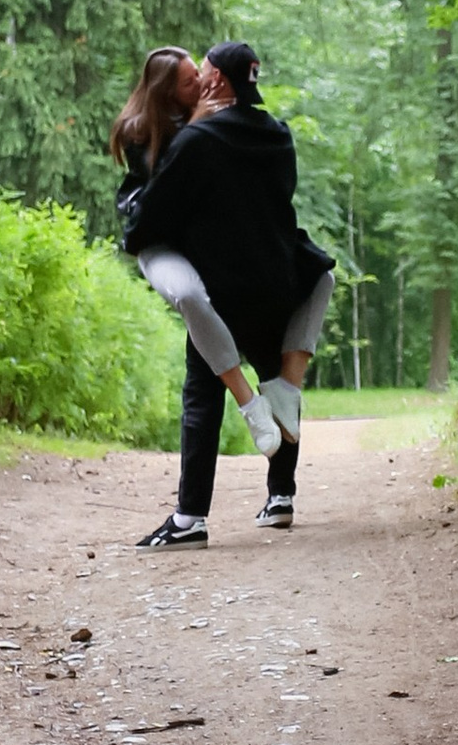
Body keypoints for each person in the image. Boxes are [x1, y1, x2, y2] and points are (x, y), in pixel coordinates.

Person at [122, 38, 335, 548]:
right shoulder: (278, 134)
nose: (199, 77)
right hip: (278, 280)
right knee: (279, 383)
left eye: (203, 71)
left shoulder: (198, 140)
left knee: (202, 395)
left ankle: (189, 518)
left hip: (220, 288)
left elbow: (158, 211)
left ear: (216, 79)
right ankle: (281, 496)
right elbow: (279, 201)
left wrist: (137, 236)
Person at [110, 47, 285, 463]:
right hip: (157, 241)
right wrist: (197, 125)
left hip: (197, 243)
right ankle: (247, 401)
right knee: (191, 297)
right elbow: (163, 188)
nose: (203, 83)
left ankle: (279, 415)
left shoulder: (207, 115)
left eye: (199, 74)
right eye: (191, 81)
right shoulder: (138, 129)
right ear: (167, 91)